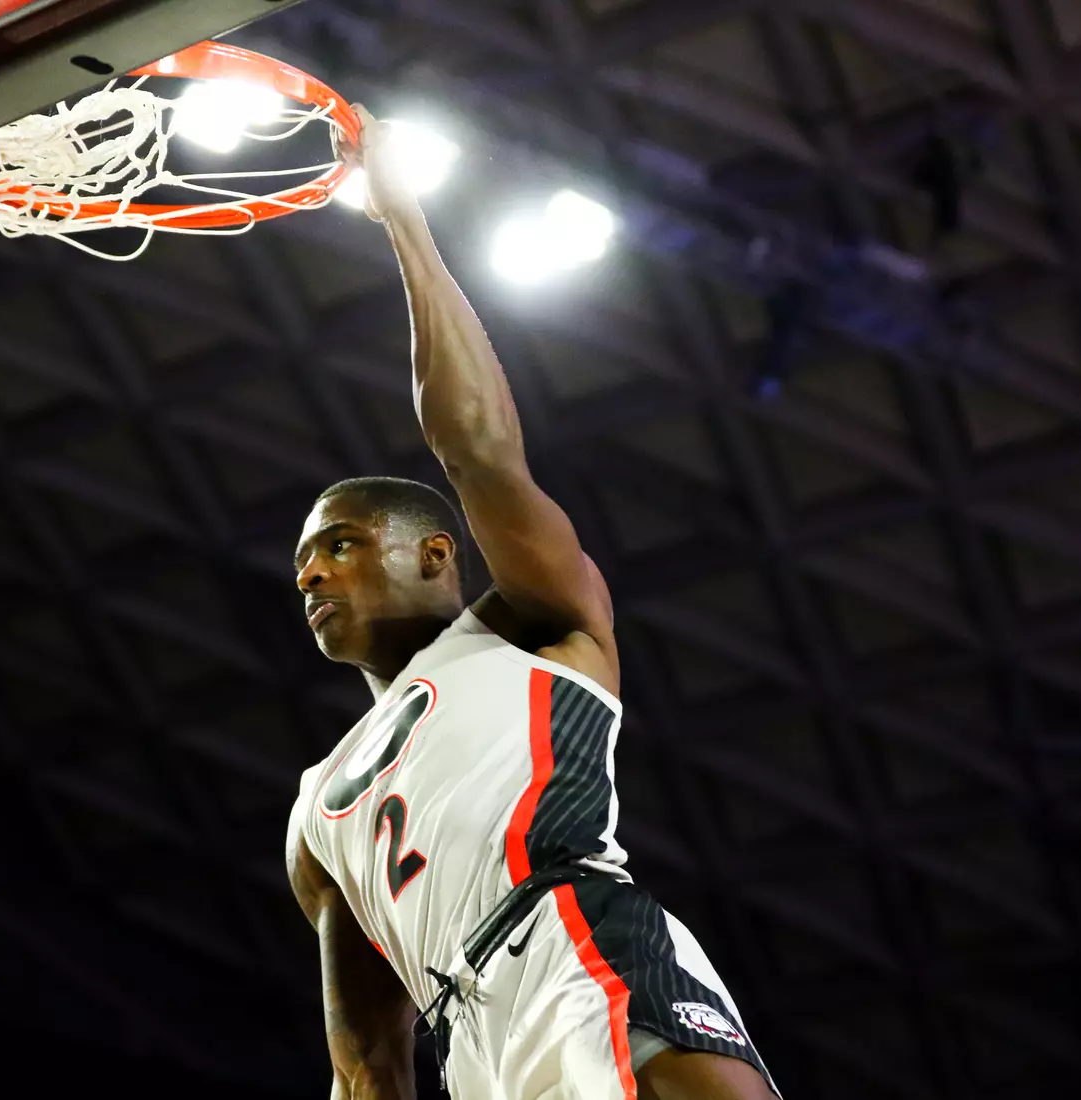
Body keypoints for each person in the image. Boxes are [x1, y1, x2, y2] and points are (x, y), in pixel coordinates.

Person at [285, 105, 779, 1100]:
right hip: (471, 1041)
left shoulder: (536, 627)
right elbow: (366, 1064)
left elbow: (478, 444)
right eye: (302, 565)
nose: (312, 576)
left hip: (572, 937)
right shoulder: (316, 808)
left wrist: (403, 224)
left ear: (434, 552)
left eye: (337, 544)